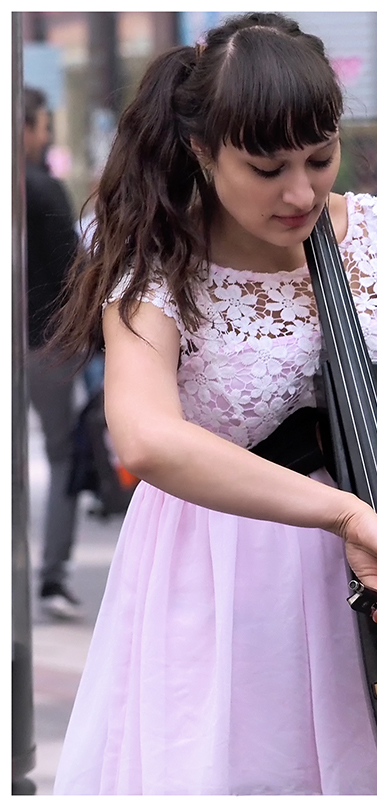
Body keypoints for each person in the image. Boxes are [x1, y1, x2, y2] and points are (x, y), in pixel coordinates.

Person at [47, 13, 377, 795]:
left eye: (319, 158)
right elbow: (147, 438)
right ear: (202, 150)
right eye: (266, 169)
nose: (300, 191)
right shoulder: (160, 256)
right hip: (228, 571)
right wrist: (340, 514)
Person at [24, 85, 85, 621]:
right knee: (63, 457)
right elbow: (75, 270)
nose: (46, 135)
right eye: (43, 124)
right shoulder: (42, 189)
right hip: (44, 346)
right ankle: (52, 578)